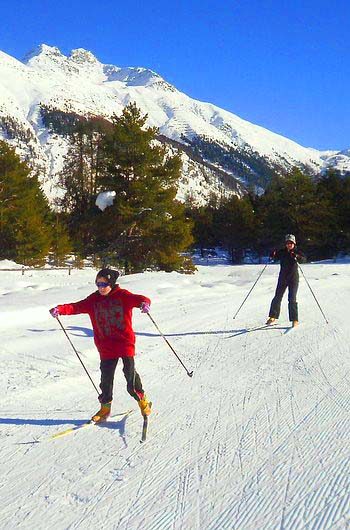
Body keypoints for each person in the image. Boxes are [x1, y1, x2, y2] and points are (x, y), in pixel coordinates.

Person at [49, 268, 151, 422]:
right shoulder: (93, 300)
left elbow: (141, 299)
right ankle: (105, 409)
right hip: (105, 346)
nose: (100, 287)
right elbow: (76, 307)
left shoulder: (123, 296)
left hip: (124, 343)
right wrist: (60, 309)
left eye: (104, 284)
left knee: (130, 377)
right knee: (106, 380)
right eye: (98, 284)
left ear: (111, 283)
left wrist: (144, 304)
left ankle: (142, 401)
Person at [266, 234, 304, 327]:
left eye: (291, 243)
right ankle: (272, 316)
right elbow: (274, 257)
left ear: (294, 243)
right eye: (287, 243)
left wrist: (297, 256)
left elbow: (303, 259)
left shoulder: (297, 251)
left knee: (292, 298)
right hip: (283, 277)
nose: (289, 244)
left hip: (293, 278)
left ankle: (294, 319)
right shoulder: (282, 252)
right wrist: (272, 254)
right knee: (277, 297)